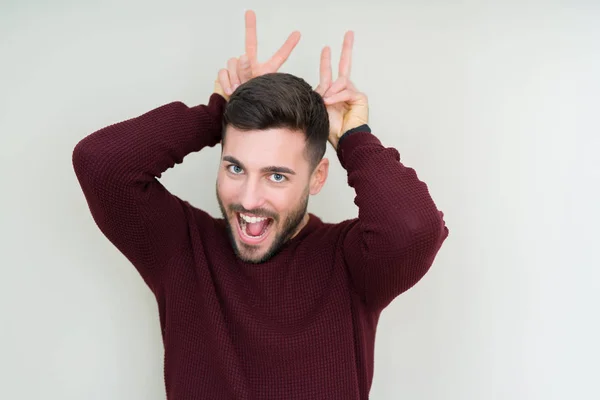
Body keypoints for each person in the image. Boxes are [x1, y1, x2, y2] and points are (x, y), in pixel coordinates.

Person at [72, 10, 449, 400]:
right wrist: (217, 112)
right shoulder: (181, 249)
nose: (248, 199)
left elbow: (412, 228)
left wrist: (354, 139)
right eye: (235, 167)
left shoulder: (352, 263)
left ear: (317, 177)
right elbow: (101, 165)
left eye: (277, 175)